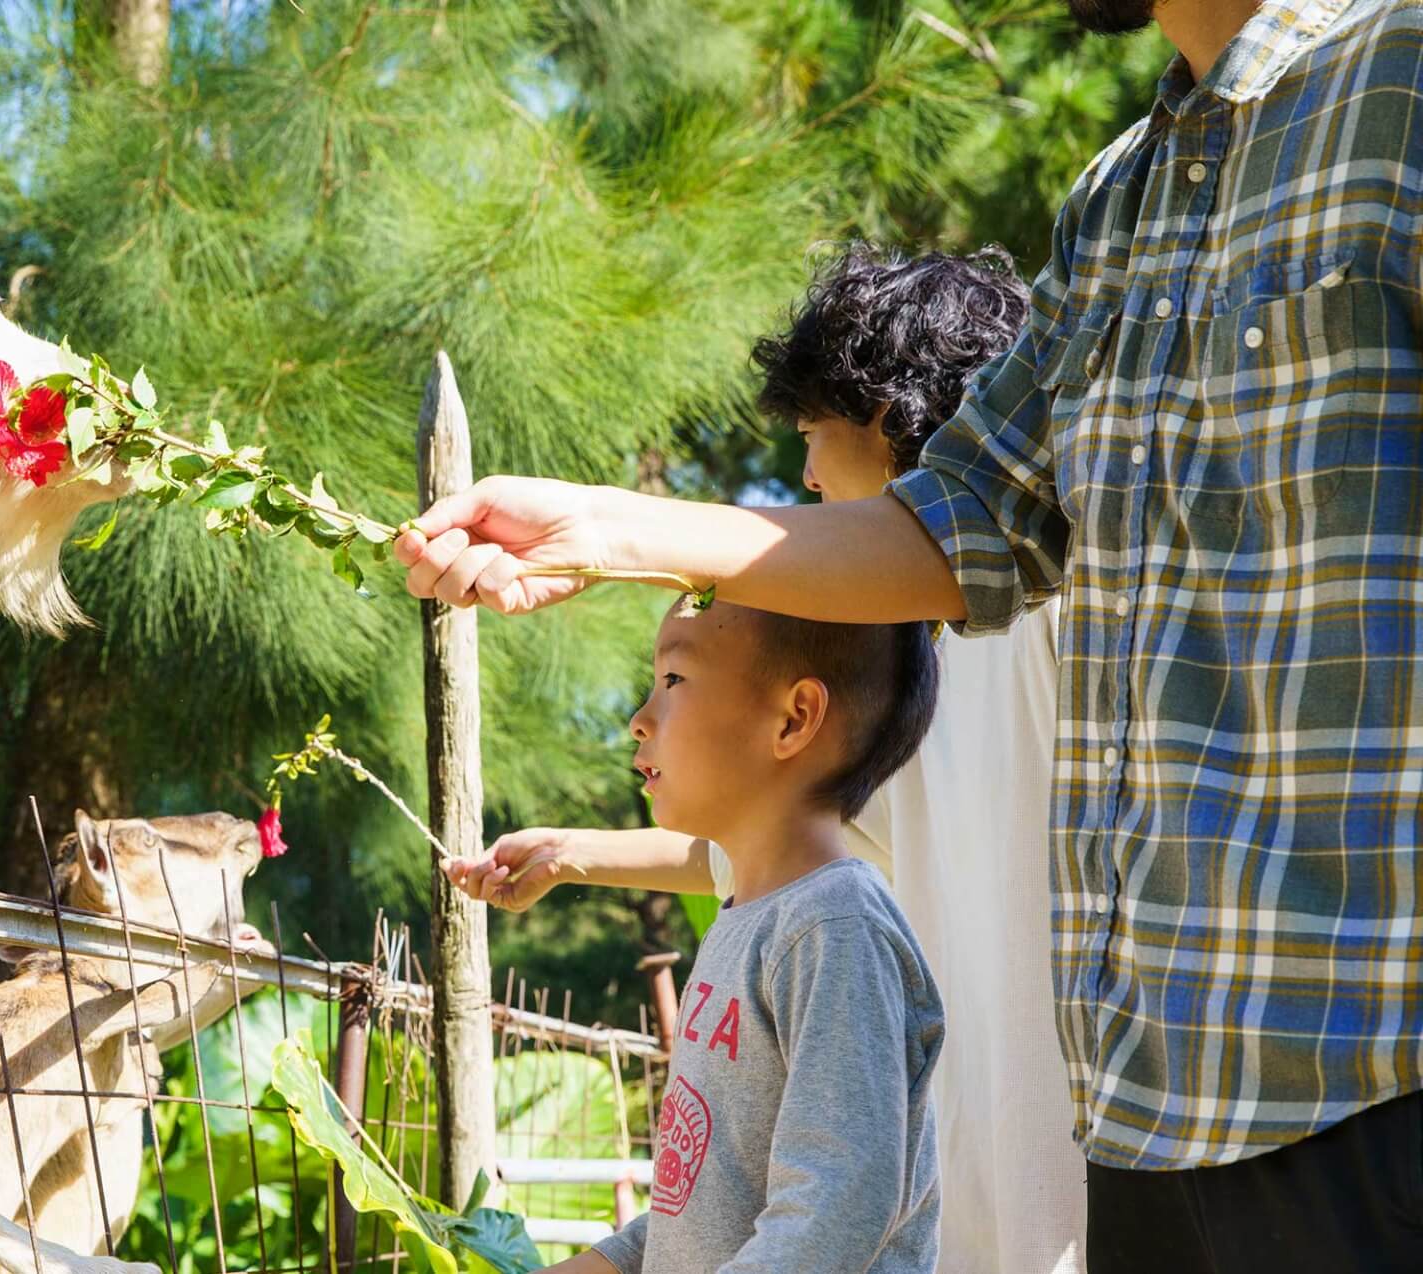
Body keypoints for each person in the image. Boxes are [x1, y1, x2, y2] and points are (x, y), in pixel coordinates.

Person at [399, 2, 1423, 1269]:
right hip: (1149, 1134)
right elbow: (964, 519)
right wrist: (604, 528)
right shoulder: (1119, 200)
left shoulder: (1402, 78)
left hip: (1371, 1096)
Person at [450, 245, 1084, 1274]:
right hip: (958, 1216)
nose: (803, 478)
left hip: (1064, 1208)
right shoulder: (904, 677)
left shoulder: (1048, 625)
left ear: (885, 417)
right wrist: (571, 852)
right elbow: (773, 845)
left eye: (810, 438)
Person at [543, 595, 942, 1274]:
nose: (639, 720)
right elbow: (704, 1204)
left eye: (672, 681)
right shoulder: (750, 920)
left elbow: (831, 1216)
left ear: (793, 719)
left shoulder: (835, 929)